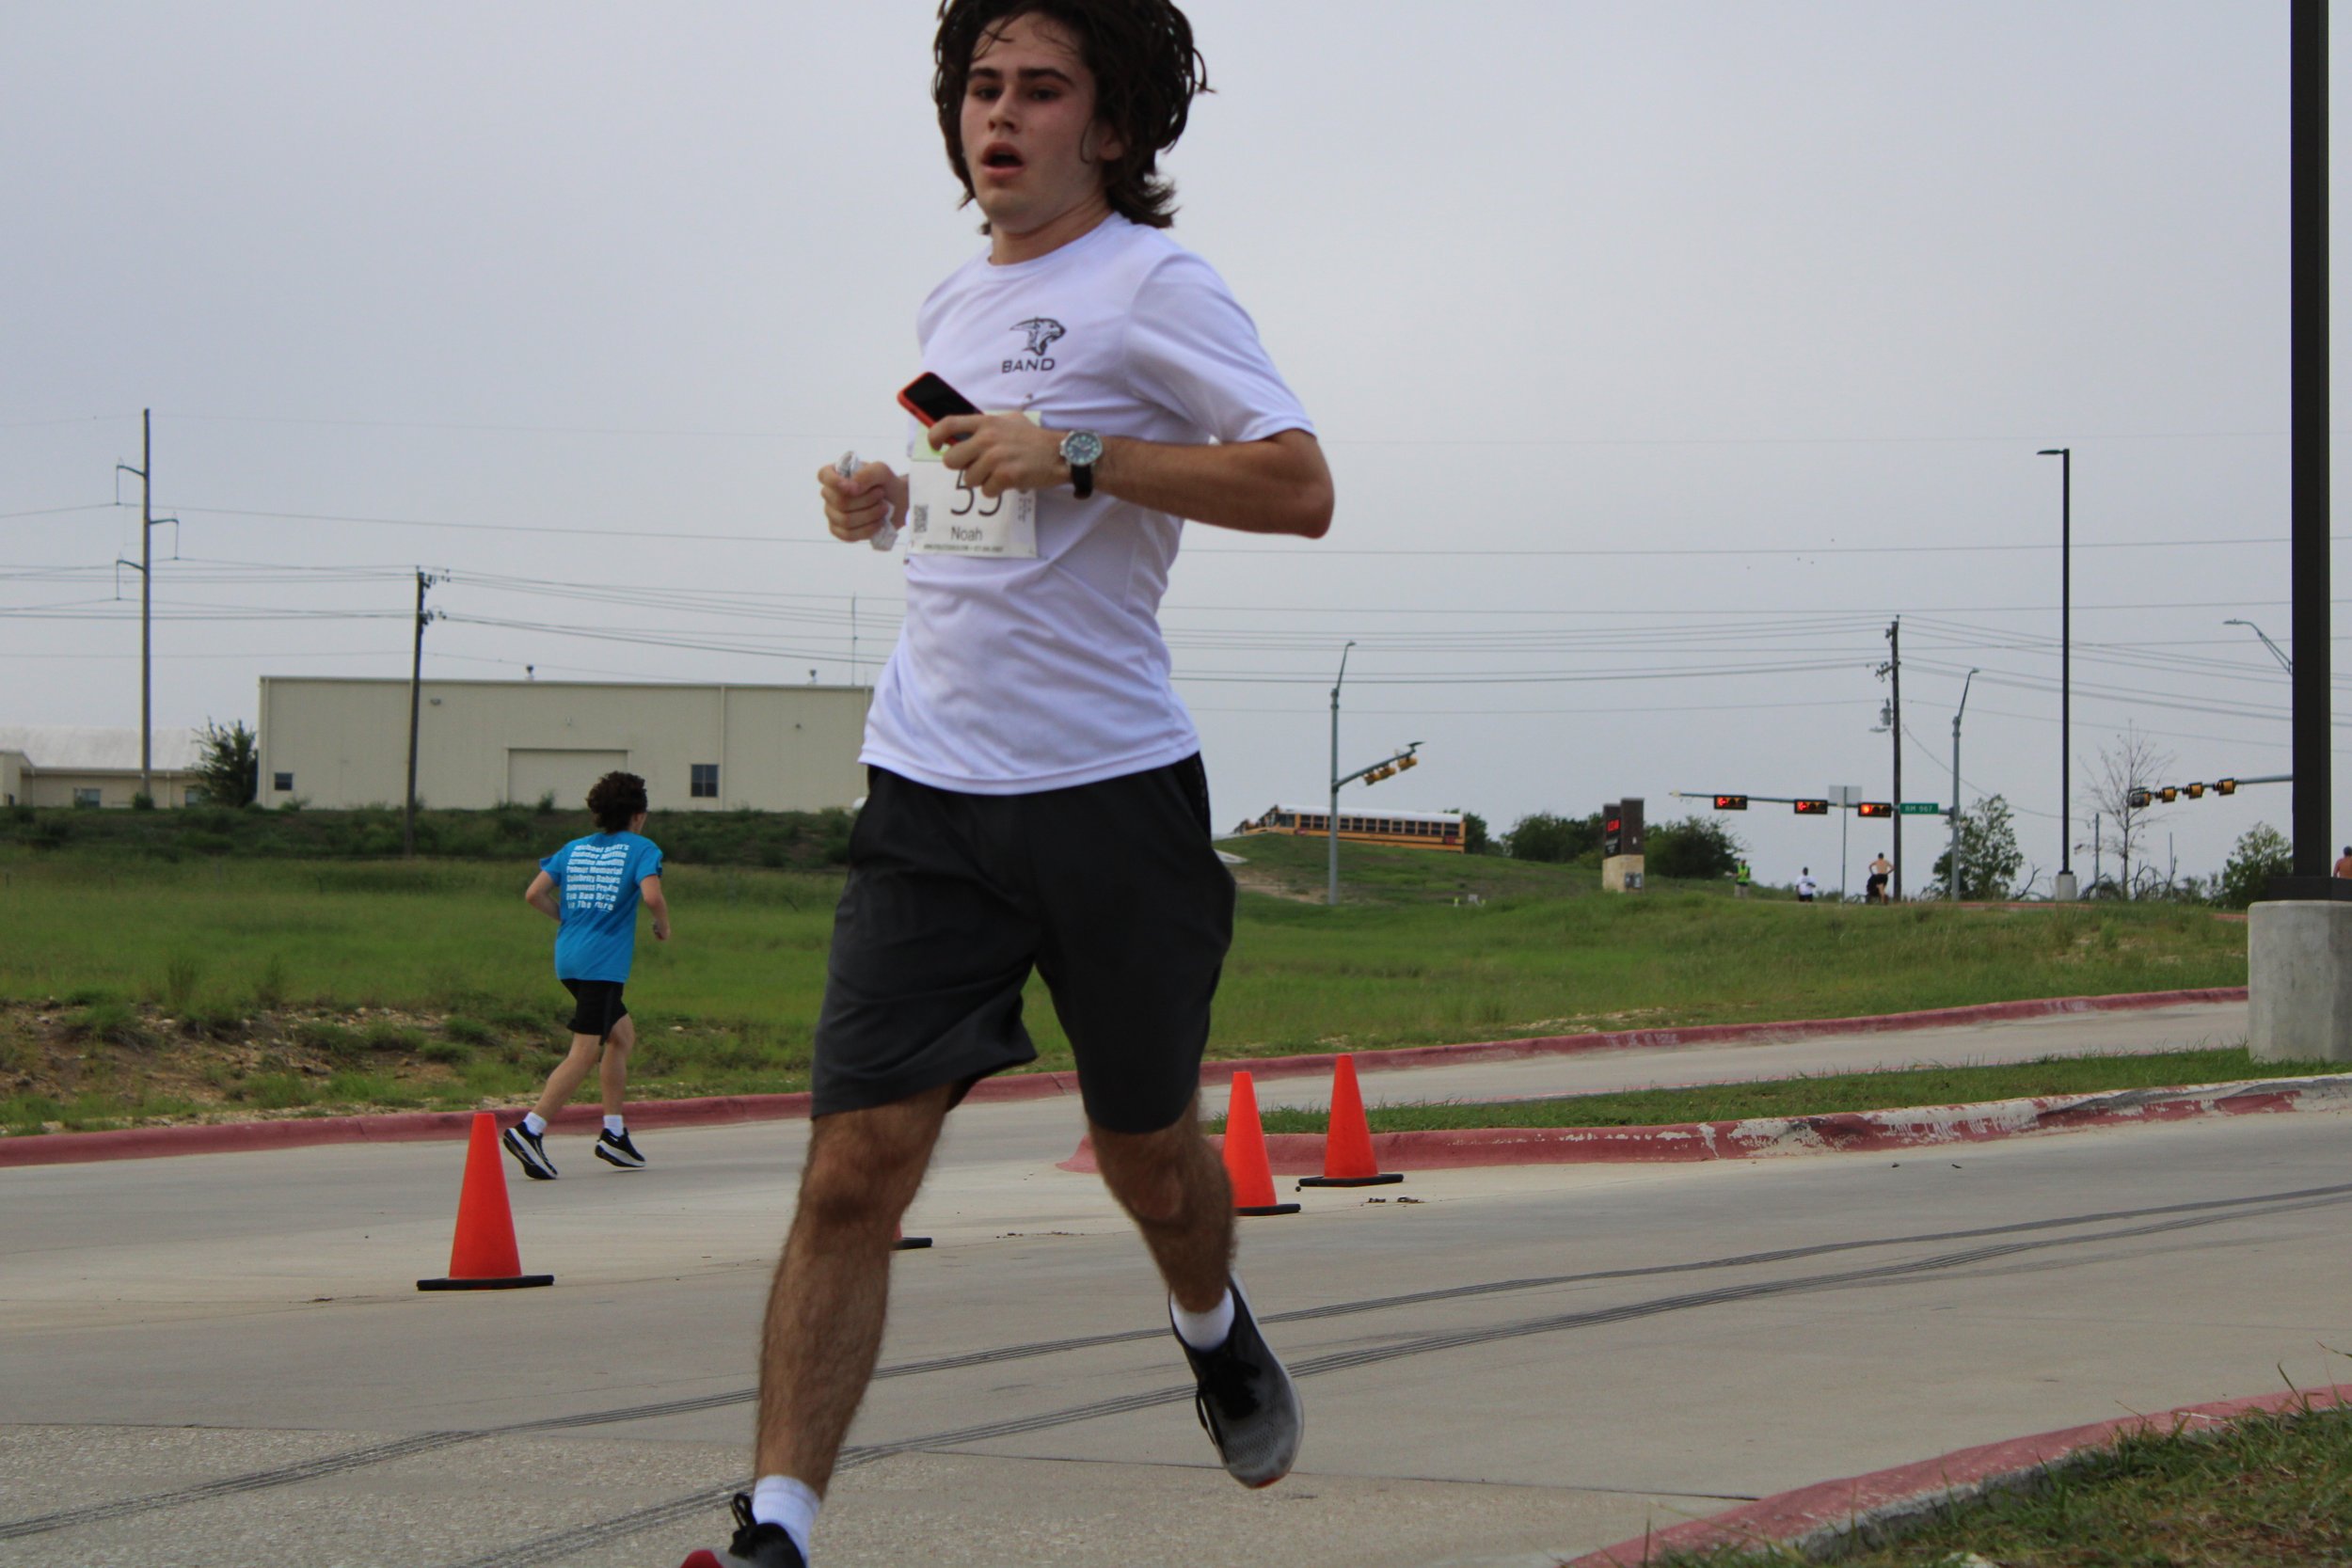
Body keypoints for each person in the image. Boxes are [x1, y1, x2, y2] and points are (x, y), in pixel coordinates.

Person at [681, 6, 1334, 1564]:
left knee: (1148, 1158)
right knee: (853, 1167)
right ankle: (780, 1525)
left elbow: (1299, 484)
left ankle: (1211, 1322)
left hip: (1110, 794)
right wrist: (888, 505)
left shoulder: (1155, 284)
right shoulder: (953, 296)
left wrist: (1085, 450)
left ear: (1109, 128)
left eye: (1042, 90)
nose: (1001, 114)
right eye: (982, 86)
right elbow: (994, 510)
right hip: (930, 790)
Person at [501, 770, 669, 1180]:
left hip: (569, 959)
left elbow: (533, 894)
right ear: (638, 815)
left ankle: (613, 1133)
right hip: (602, 965)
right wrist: (663, 925)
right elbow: (651, 895)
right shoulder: (642, 848)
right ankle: (530, 1129)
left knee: (621, 1036)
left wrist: (570, 918)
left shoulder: (573, 848)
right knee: (584, 1050)